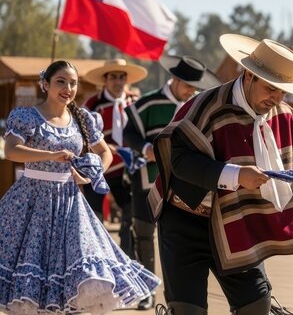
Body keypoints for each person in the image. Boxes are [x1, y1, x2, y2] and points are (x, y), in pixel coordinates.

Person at [148, 34, 293, 315]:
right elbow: (178, 160)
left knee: (256, 305)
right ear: (249, 75)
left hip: (236, 222)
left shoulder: (283, 114)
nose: (276, 99)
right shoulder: (206, 105)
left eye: (282, 92)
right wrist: (235, 175)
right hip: (185, 220)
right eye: (270, 89)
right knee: (187, 310)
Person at [0, 60, 159, 314]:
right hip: (30, 201)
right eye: (61, 81)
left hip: (70, 202)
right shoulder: (27, 116)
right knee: (32, 273)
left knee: (72, 271)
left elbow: (105, 152)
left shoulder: (83, 118)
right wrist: (50, 156)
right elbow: (11, 151)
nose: (68, 87)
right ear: (45, 84)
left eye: (72, 83)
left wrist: (92, 173)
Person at [122, 55, 221, 310]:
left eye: (195, 87)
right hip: (148, 179)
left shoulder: (197, 106)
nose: (191, 91)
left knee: (175, 238)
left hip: (183, 186)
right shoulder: (147, 103)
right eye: (188, 85)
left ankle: (176, 294)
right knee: (143, 234)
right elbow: (127, 132)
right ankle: (146, 291)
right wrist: (146, 149)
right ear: (175, 79)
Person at [83, 58, 147, 257]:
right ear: (105, 80)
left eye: (122, 77)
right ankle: (98, 257)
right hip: (99, 168)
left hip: (127, 171)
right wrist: (104, 148)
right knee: (95, 217)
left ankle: (126, 258)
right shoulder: (93, 104)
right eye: (113, 77)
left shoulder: (134, 101)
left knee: (131, 214)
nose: (118, 82)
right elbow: (81, 136)